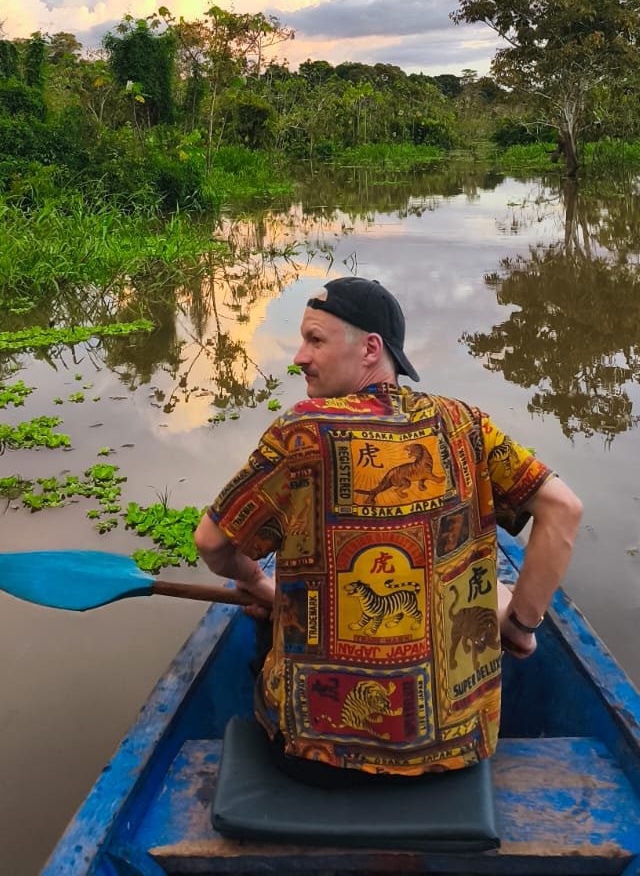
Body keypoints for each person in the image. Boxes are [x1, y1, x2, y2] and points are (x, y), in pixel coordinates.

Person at [194, 276, 583, 784]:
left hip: (317, 760)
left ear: (370, 349)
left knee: (269, 632)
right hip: (458, 751)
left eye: (315, 340)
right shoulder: (465, 423)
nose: (298, 357)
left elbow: (212, 543)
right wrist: (520, 627)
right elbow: (563, 509)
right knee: (500, 592)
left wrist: (260, 585)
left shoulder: (302, 430)